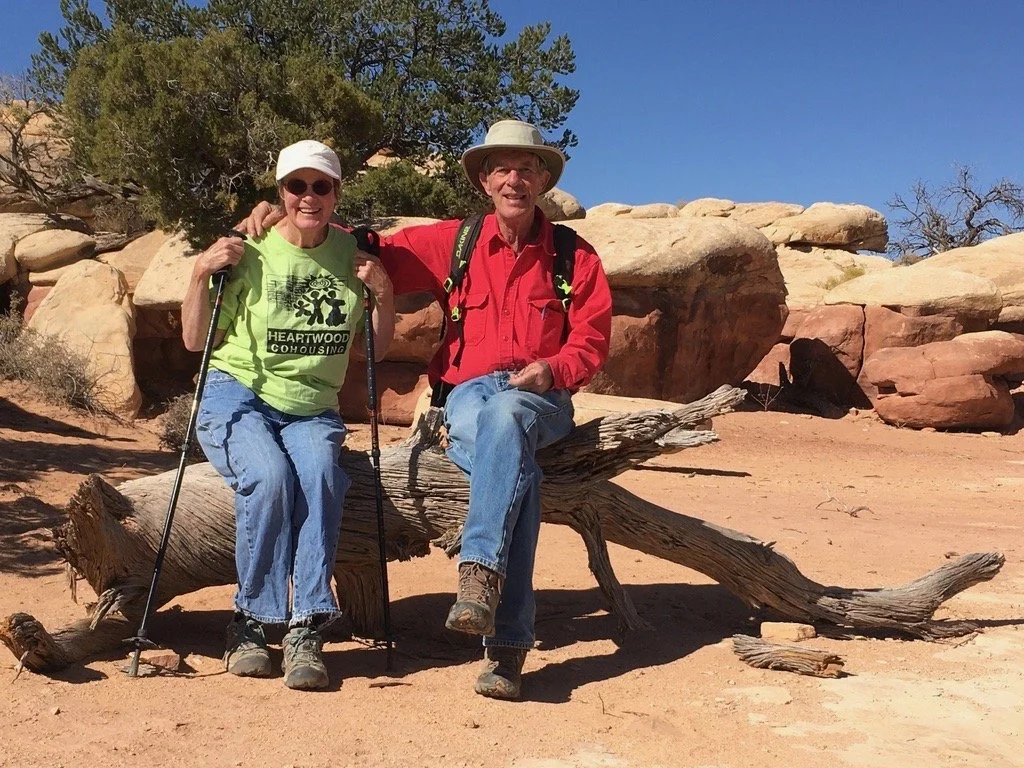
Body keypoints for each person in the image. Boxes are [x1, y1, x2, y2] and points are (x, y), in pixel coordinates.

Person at [243, 120, 612, 700]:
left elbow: (590, 341)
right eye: (502, 169)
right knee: (515, 467)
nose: (514, 179)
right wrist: (288, 215)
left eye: (526, 168)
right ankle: (508, 648)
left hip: (543, 397)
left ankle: (480, 572)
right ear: (485, 180)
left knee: (510, 417)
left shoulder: (573, 254)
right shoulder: (457, 242)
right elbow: (368, 247)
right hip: (467, 395)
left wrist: (553, 369)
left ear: (542, 178)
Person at [181, 139, 395, 690]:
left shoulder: (357, 255)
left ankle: (306, 625)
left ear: (336, 193)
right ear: (280, 192)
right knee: (270, 477)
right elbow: (191, 340)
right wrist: (199, 271)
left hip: (311, 409)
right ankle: (252, 621)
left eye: (320, 186)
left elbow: (378, 349)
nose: (308, 196)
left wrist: (386, 296)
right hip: (239, 394)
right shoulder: (248, 249)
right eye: (296, 186)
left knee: (322, 479)